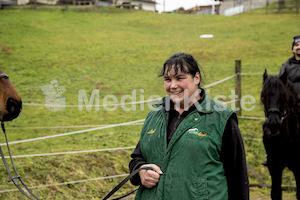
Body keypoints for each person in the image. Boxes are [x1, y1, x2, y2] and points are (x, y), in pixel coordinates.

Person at [129, 52, 249, 200]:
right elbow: (137, 157)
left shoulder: (221, 118)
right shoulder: (154, 115)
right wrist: (141, 171)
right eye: (167, 79)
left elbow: (238, 177)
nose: (173, 85)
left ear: (196, 78)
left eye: (180, 78)